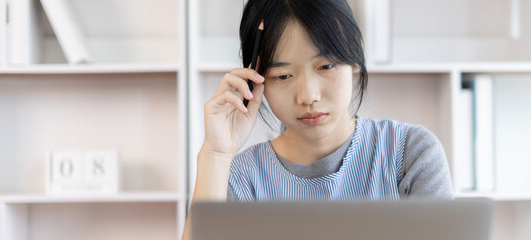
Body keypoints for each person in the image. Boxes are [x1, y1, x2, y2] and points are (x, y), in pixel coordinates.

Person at [182, 0, 453, 238]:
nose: (308, 96)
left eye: (326, 66)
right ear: (255, 81)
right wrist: (215, 155)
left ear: (354, 57)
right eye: (283, 76)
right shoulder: (240, 179)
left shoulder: (410, 154)